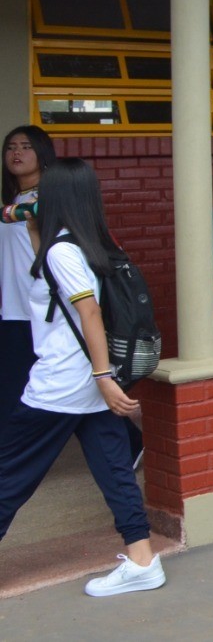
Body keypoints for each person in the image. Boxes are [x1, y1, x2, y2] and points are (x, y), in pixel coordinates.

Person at [0, 158, 165, 596]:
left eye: (42, 191)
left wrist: (102, 376)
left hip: (63, 382)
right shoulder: (86, 242)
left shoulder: (61, 252)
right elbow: (19, 221)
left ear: (55, 197)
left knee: (9, 472)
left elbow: (88, 312)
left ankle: (143, 561)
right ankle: (143, 560)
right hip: (86, 385)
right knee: (114, 471)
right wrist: (29, 212)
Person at [2, 125, 54, 436]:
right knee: (13, 385)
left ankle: (127, 438)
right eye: (10, 147)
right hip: (13, 309)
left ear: (42, 154)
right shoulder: (14, 199)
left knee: (62, 380)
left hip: (41, 308)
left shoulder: (49, 197)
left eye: (25, 146)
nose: (16, 152)